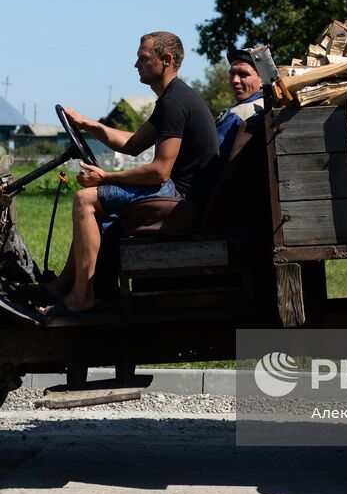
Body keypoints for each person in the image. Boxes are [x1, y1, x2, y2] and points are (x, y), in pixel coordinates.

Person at [42, 31, 218, 315]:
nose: (136, 65)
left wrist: (105, 177)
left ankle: (81, 296)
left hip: (182, 198)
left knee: (85, 200)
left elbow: (160, 172)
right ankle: (62, 286)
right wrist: (87, 123)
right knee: (91, 199)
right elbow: (132, 144)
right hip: (179, 190)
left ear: (167, 60)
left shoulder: (174, 103)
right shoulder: (171, 99)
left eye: (143, 58)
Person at [214, 47, 265, 161]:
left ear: (262, 79)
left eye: (243, 74)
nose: (235, 80)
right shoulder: (267, 105)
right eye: (232, 73)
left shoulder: (238, 114)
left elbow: (212, 157)